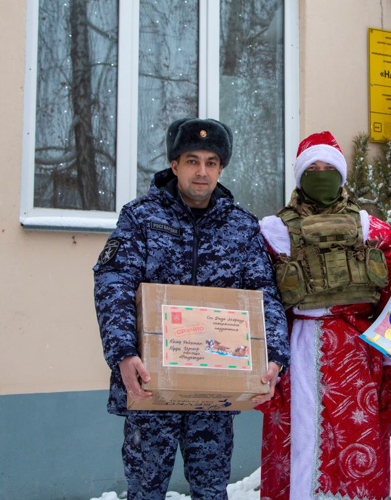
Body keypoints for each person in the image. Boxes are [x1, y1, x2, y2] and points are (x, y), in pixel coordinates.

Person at [93, 117, 289, 500]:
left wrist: (275, 354)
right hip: (151, 388)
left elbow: (264, 292)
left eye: (211, 162)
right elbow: (113, 282)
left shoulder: (241, 227)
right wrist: (123, 353)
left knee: (212, 489)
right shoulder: (141, 217)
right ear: (174, 165)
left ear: (221, 168)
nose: (202, 172)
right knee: (145, 490)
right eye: (192, 160)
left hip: (216, 391)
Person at [257, 131, 391, 500]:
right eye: (313, 169)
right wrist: (258, 370)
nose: (322, 175)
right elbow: (256, 306)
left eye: (330, 168)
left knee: (356, 460)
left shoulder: (374, 231)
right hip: (294, 357)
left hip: (359, 361)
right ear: (299, 175)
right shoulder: (271, 232)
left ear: (342, 175)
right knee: (296, 452)